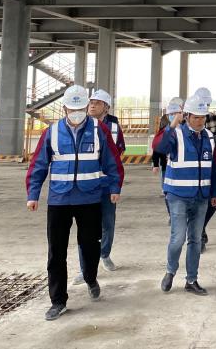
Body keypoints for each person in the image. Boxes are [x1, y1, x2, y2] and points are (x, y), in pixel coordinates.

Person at [26, 85, 124, 321]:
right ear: (64, 109)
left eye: (81, 109)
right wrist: (33, 193)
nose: (77, 113)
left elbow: (112, 160)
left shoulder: (98, 129)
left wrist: (114, 187)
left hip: (89, 198)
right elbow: (39, 163)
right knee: (56, 252)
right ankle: (58, 300)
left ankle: (90, 277)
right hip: (59, 200)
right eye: (73, 109)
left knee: (90, 246)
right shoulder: (52, 132)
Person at [154, 95, 216, 296]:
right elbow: (159, 148)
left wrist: (214, 192)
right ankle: (170, 271)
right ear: (187, 116)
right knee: (178, 238)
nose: (200, 121)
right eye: (196, 117)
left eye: (202, 117)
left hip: (201, 197)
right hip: (178, 196)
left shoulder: (209, 137)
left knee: (195, 240)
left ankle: (191, 280)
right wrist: (172, 125)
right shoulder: (176, 134)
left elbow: (214, 167)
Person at [71, 89, 124, 285]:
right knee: (86, 228)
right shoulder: (80, 125)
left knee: (107, 222)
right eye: (91, 102)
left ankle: (104, 254)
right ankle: (85, 268)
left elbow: (117, 156)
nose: (92, 105)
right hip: (86, 185)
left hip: (106, 184)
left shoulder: (114, 128)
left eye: (97, 103)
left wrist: (115, 185)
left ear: (106, 107)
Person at [194, 87, 216, 252]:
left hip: (211, 169)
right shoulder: (187, 121)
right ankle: (198, 235)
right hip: (193, 171)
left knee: (212, 203)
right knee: (197, 203)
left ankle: (201, 227)